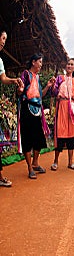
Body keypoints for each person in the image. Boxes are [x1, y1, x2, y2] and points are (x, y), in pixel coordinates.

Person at [17, 53, 54, 179]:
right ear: (33, 62)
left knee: (39, 138)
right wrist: (20, 90)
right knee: (27, 138)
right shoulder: (26, 74)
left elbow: (40, 95)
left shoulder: (37, 78)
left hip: (37, 109)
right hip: (27, 109)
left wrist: (48, 87)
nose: (41, 64)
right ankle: (29, 168)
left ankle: (35, 163)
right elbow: (20, 91)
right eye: (39, 62)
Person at [50, 58, 74, 171]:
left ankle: (71, 162)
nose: (69, 66)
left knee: (72, 134)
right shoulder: (60, 78)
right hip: (62, 107)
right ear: (65, 66)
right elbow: (54, 93)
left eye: (71, 64)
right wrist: (53, 85)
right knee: (60, 132)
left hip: (73, 108)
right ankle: (55, 162)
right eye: (68, 64)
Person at [0, 30, 25, 186]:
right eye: (2, 38)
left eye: (5, 39)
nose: (3, 42)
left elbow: (3, 78)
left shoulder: (0, 60)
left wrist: (14, 80)